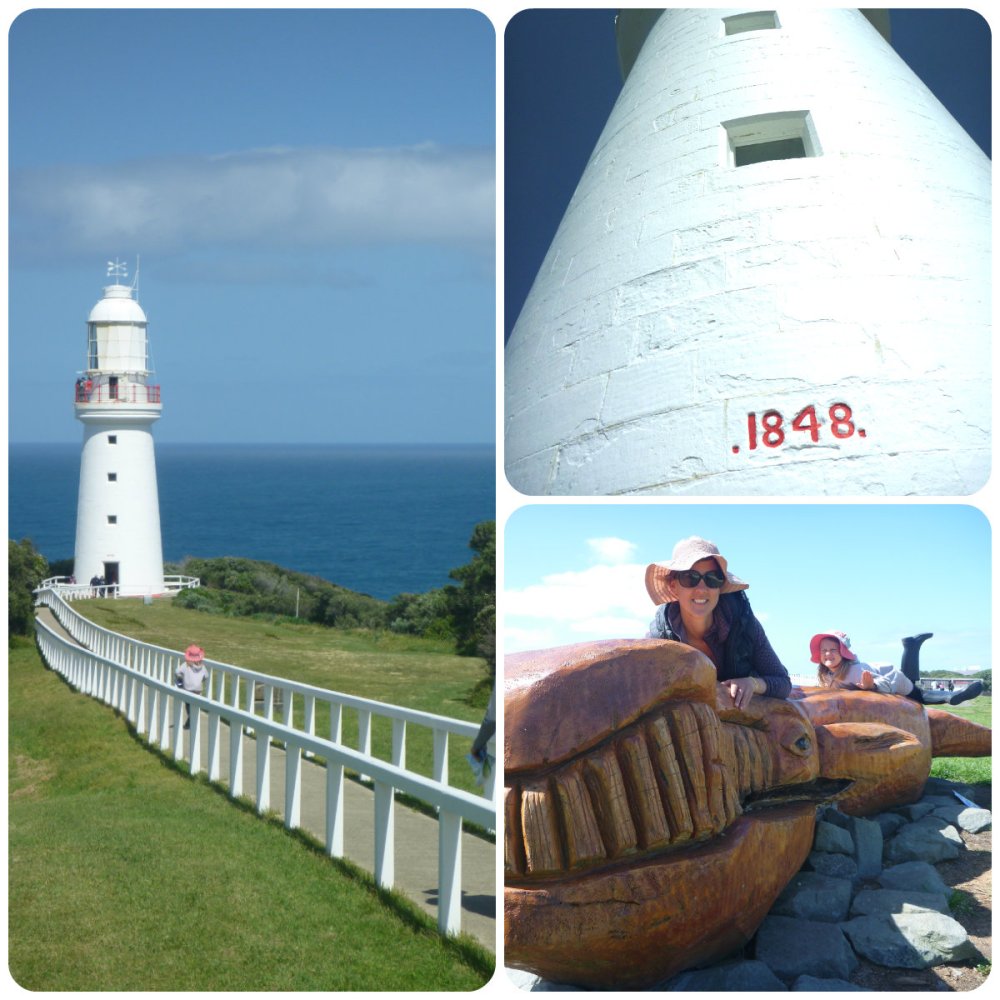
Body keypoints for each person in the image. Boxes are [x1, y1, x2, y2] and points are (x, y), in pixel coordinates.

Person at [645, 536, 792, 708]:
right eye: (690, 578)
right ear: (673, 586)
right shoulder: (659, 638)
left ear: (720, 587)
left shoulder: (745, 625)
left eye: (712, 578)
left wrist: (752, 683)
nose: (701, 589)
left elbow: (783, 683)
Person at [810, 631, 982, 706]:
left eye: (833, 650)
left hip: (893, 678)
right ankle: (911, 645)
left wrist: (872, 686)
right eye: (824, 650)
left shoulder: (854, 671)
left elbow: (881, 681)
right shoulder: (825, 673)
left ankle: (951, 697)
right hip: (889, 674)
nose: (828, 654)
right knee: (913, 681)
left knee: (919, 696)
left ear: (843, 652)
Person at [175, 644, 208, 729]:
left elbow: (177, 672)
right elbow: (206, 676)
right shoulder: (203, 666)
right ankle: (191, 721)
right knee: (195, 706)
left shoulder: (186, 665)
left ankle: (190, 722)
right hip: (198, 690)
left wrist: (181, 678)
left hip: (188, 690)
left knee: (189, 706)